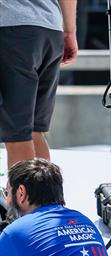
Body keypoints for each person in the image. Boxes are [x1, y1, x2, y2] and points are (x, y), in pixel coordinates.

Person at [0, 0, 78, 170]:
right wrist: (69, 30)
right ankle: (43, 194)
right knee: (34, 130)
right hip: (50, 28)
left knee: (17, 134)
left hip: (11, 28)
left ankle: (25, 195)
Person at [0, 158, 111, 256]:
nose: (7, 200)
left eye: (7, 193)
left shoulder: (14, 234)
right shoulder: (86, 222)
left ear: (21, 193)